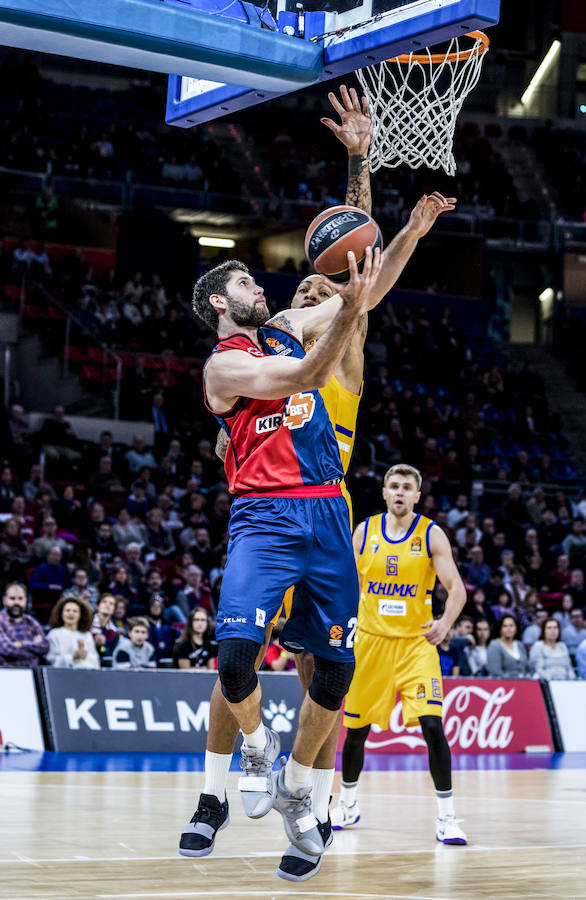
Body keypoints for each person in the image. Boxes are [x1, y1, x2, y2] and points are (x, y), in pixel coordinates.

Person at [178, 87, 456, 880]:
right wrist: (346, 305)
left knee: (324, 674)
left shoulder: (330, 322)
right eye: (268, 288)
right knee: (232, 659)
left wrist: (372, 179)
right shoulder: (246, 357)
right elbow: (314, 344)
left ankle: (305, 794)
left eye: (313, 290)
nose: (296, 290)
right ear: (221, 304)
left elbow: (355, 262)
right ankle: (221, 788)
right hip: (266, 512)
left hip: (327, 507)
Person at [329, 464, 468, 846]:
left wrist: (445, 623)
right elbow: (344, 585)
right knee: (355, 732)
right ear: (385, 492)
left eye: (408, 487)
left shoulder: (431, 534)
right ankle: (348, 804)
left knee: (433, 727)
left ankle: (447, 817)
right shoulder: (364, 532)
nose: (401, 492)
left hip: (415, 646)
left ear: (417, 496)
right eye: (395, 486)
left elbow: (456, 589)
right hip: (370, 644)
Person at [0, 582, 49, 667]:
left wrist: (22, 644)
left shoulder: (31, 622)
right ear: (4, 600)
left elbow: (45, 646)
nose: (16, 602)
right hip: (6, 673)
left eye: (20, 598)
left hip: (32, 674)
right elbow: (8, 649)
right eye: (12, 598)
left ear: (26, 600)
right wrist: (35, 651)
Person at [46, 596, 100, 669]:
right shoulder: (54, 634)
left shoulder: (87, 635)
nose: (71, 613)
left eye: (75, 611)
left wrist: (85, 655)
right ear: (61, 613)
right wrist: (73, 657)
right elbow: (51, 660)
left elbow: (95, 660)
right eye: (67, 610)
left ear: (80, 615)